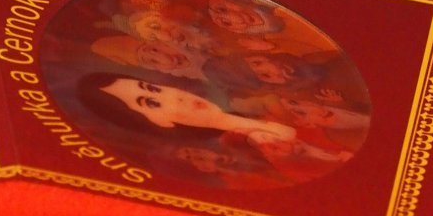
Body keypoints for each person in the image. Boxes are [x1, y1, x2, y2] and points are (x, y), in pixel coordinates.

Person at [76, 73, 296, 143]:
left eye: (153, 88)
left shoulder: (252, 101)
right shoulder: (238, 154)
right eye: (153, 103)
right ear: (159, 123)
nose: (176, 97)